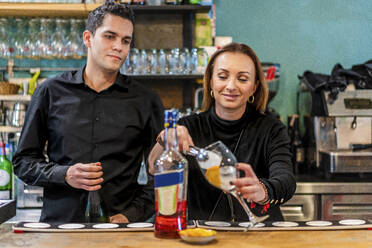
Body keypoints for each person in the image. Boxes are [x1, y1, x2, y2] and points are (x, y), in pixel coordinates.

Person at [13, 2, 164, 223]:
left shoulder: (146, 100)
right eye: (109, 36)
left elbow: (162, 172)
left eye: (126, 41)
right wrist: (64, 174)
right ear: (88, 38)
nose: (118, 47)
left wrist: (130, 215)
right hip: (61, 227)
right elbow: (23, 162)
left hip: (120, 229)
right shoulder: (50, 91)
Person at [149, 42, 296, 221]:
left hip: (260, 234)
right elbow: (153, 166)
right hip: (205, 234)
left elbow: (286, 180)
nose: (231, 86)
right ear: (211, 81)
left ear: (254, 87)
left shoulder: (271, 128)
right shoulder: (188, 126)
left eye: (242, 79)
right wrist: (166, 138)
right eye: (222, 76)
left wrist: (262, 190)